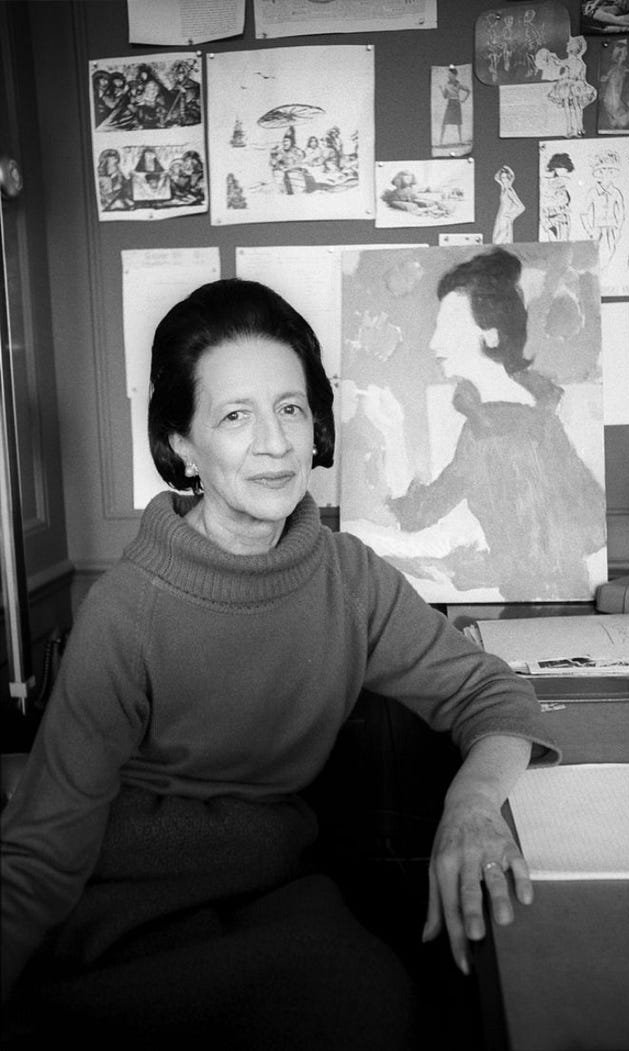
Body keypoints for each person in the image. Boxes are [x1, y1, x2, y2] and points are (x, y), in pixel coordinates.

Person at [1, 278, 559, 1047]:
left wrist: (471, 807)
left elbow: (492, 694)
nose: (275, 442)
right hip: (126, 908)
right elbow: (41, 851)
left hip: (275, 883)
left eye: (291, 408)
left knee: (377, 1005)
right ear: (182, 445)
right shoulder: (124, 612)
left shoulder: (348, 577)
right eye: (236, 415)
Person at [387, 250, 607, 600]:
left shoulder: (493, 430)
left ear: (490, 336)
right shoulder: (533, 415)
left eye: (447, 327)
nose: (433, 342)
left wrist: (457, 567)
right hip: (558, 595)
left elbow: (531, 557)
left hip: (540, 605)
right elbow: (593, 526)